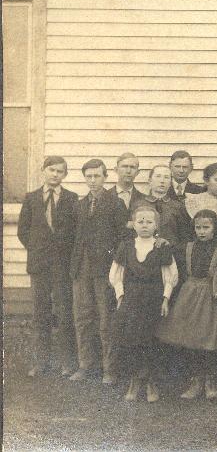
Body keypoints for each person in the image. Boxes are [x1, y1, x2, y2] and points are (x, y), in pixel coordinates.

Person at [155, 210, 217, 401]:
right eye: (198, 227)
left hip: (212, 296)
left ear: (215, 228)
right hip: (189, 295)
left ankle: (209, 380)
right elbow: (169, 252)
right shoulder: (187, 247)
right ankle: (196, 380)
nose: (201, 231)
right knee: (191, 339)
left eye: (206, 227)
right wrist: (162, 243)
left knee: (209, 339)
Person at [109, 205, 179, 402]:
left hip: (153, 298)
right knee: (131, 340)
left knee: (151, 341)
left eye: (149, 222)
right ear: (133, 224)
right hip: (132, 299)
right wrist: (120, 296)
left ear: (156, 225)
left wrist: (165, 298)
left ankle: (151, 382)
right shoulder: (127, 246)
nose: (145, 225)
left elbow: (170, 274)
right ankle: (134, 381)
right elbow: (117, 273)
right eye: (140, 222)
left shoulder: (162, 246)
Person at [69, 159, 129, 384]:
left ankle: (109, 369)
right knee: (82, 318)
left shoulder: (115, 204)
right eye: (89, 177)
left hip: (105, 270)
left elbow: (124, 238)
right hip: (80, 270)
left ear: (105, 177)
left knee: (106, 320)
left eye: (97, 176)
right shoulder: (79, 205)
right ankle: (86, 365)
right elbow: (71, 239)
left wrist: (115, 265)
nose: (92, 181)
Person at [18, 156, 78, 378]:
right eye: (51, 170)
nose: (55, 174)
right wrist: (38, 251)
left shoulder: (72, 199)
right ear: (43, 170)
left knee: (64, 314)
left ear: (65, 175)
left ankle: (67, 363)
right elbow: (23, 231)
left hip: (62, 267)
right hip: (39, 266)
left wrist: (60, 255)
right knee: (40, 314)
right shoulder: (31, 198)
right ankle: (41, 362)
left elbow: (74, 233)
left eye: (60, 171)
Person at [131, 165, 194, 252]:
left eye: (166, 177)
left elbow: (185, 237)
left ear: (170, 183)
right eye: (158, 176)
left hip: (171, 255)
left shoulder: (178, 207)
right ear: (150, 181)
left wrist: (170, 244)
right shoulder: (138, 205)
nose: (162, 181)